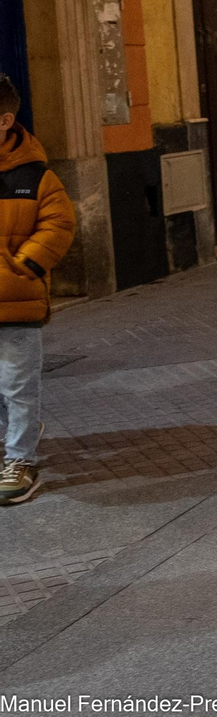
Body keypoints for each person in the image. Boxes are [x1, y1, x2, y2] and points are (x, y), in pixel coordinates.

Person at [0, 75, 77, 506]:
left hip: (15, 301)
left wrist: (25, 265)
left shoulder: (35, 176)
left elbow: (60, 223)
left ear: (5, 120)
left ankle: (21, 460)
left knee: (17, 384)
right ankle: (16, 437)